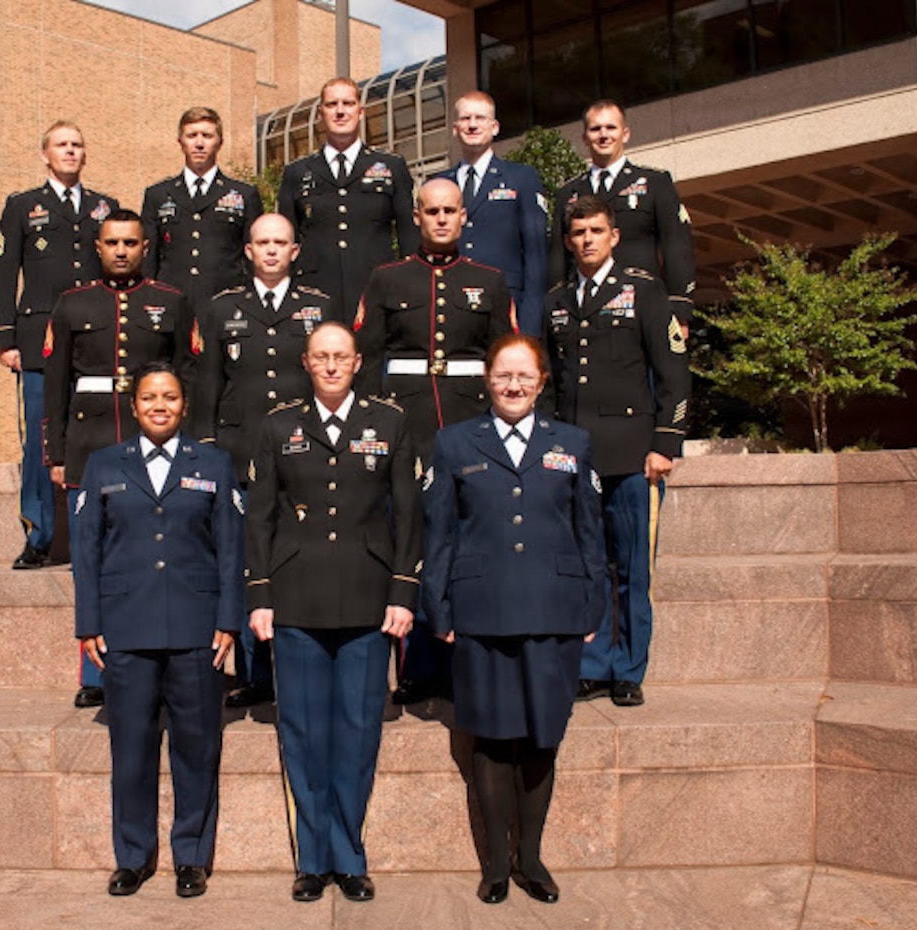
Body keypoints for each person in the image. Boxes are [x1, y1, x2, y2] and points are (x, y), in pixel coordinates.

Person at [423, 333, 608, 904]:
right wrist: (440, 604)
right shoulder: (455, 444)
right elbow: (441, 533)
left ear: (542, 380)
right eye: (503, 374)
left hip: (555, 611)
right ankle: (497, 865)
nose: (513, 384)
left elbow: (589, 532)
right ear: (487, 378)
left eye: (525, 375)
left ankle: (532, 856)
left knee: (541, 738)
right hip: (482, 612)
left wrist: (593, 602)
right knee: (491, 740)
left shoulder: (572, 442)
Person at [245, 321, 421, 903]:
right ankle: (312, 858)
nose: (329, 366)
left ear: (357, 361)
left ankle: (349, 855)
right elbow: (260, 518)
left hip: (369, 600)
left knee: (358, 730)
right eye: (320, 357)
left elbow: (409, 514)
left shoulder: (390, 422)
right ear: (305, 361)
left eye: (339, 357)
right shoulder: (277, 425)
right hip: (295, 599)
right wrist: (261, 595)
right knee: (302, 731)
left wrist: (402, 592)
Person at [73, 361, 243, 899]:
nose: (159, 406)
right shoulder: (103, 465)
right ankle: (133, 856)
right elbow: (86, 551)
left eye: (169, 397)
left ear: (184, 405)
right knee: (131, 748)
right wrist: (89, 623)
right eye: (149, 397)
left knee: (196, 747)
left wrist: (228, 620)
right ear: (134, 403)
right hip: (126, 629)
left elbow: (231, 549)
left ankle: (191, 857)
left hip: (197, 628)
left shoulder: (213, 463)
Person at [354, 176, 516, 704]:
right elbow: (368, 359)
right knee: (413, 542)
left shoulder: (488, 281)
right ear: (416, 218)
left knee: (468, 543)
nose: (441, 219)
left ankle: (468, 659)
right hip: (408, 425)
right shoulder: (386, 278)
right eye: (431, 211)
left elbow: (504, 360)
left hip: (470, 428)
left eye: (450, 211)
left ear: (463, 216)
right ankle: (419, 663)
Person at [544, 196, 690, 707]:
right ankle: (592, 665)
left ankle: (628, 669)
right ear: (567, 241)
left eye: (596, 230)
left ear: (614, 236)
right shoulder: (556, 301)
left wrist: (665, 444)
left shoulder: (645, 292)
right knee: (587, 566)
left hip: (633, 457)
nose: (587, 239)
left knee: (631, 569)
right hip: (575, 460)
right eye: (578, 231)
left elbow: (673, 371)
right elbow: (549, 383)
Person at [44, 209, 193, 708]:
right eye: (113, 242)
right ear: (98, 247)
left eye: (131, 242)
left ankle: (158, 664)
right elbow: (56, 386)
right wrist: (57, 453)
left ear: (145, 247)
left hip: (153, 443)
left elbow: (185, 376)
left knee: (154, 554)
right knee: (93, 559)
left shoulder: (170, 302)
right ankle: (95, 671)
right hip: (90, 447)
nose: (122, 250)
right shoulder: (70, 304)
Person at [192, 212, 337, 709]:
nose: (272, 250)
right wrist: (205, 450)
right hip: (237, 453)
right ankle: (254, 674)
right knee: (246, 562)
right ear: (248, 251)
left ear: (295, 251)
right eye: (263, 242)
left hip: (302, 454)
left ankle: (302, 665)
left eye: (281, 242)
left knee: (300, 557)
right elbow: (208, 383)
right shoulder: (221, 309)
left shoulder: (319, 307)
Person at [0, 120, 119, 570]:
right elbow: (3, 274)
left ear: (85, 154)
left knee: (102, 437)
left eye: (77, 145)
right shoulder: (22, 206)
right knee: (42, 442)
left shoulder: (108, 207)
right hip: (38, 341)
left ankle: (105, 535)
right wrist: (3, 337)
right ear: (45, 154)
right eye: (61, 145)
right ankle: (40, 537)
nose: (70, 151)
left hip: (95, 342)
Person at [278, 77, 420, 322]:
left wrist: (409, 289)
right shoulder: (296, 173)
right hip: (313, 295)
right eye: (332, 104)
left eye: (348, 103)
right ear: (320, 113)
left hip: (376, 292)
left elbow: (409, 237)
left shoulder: (391, 166)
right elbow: (285, 239)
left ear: (361, 111)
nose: (340, 111)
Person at [550, 100, 696, 332]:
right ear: (585, 137)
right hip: (585, 309)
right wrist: (555, 306)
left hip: (643, 307)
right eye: (595, 129)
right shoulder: (569, 192)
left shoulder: (654, 183)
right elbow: (558, 257)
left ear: (625, 134)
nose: (603, 135)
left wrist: (679, 309)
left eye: (611, 128)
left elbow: (677, 247)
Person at [437, 90, 547, 335]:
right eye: (465, 119)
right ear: (455, 128)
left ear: (495, 127)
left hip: (506, 306)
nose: (472, 125)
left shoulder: (521, 178)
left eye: (480, 118)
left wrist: (530, 325)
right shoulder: (439, 183)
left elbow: (535, 255)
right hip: (451, 306)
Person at [140, 107, 263, 317]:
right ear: (181, 142)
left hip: (227, 306)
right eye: (192, 135)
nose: (199, 143)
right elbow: (148, 259)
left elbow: (254, 259)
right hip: (171, 306)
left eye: (207, 136)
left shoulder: (244, 195)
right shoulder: (157, 195)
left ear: (220, 142)